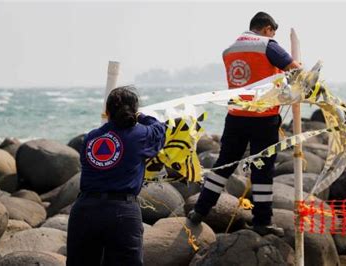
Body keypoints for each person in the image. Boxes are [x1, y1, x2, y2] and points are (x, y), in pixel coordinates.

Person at [188, 11, 301, 236]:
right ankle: (262, 221)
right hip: (264, 117)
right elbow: (295, 70)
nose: (272, 35)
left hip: (236, 116)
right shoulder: (268, 45)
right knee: (262, 170)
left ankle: (199, 210)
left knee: (224, 165)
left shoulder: (230, 50)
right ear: (267, 28)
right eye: (272, 31)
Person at [66, 86, 166, 266]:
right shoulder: (140, 135)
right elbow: (160, 129)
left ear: (106, 112)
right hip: (122, 212)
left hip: (85, 210)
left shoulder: (90, 138)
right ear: (133, 112)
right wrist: (141, 117)